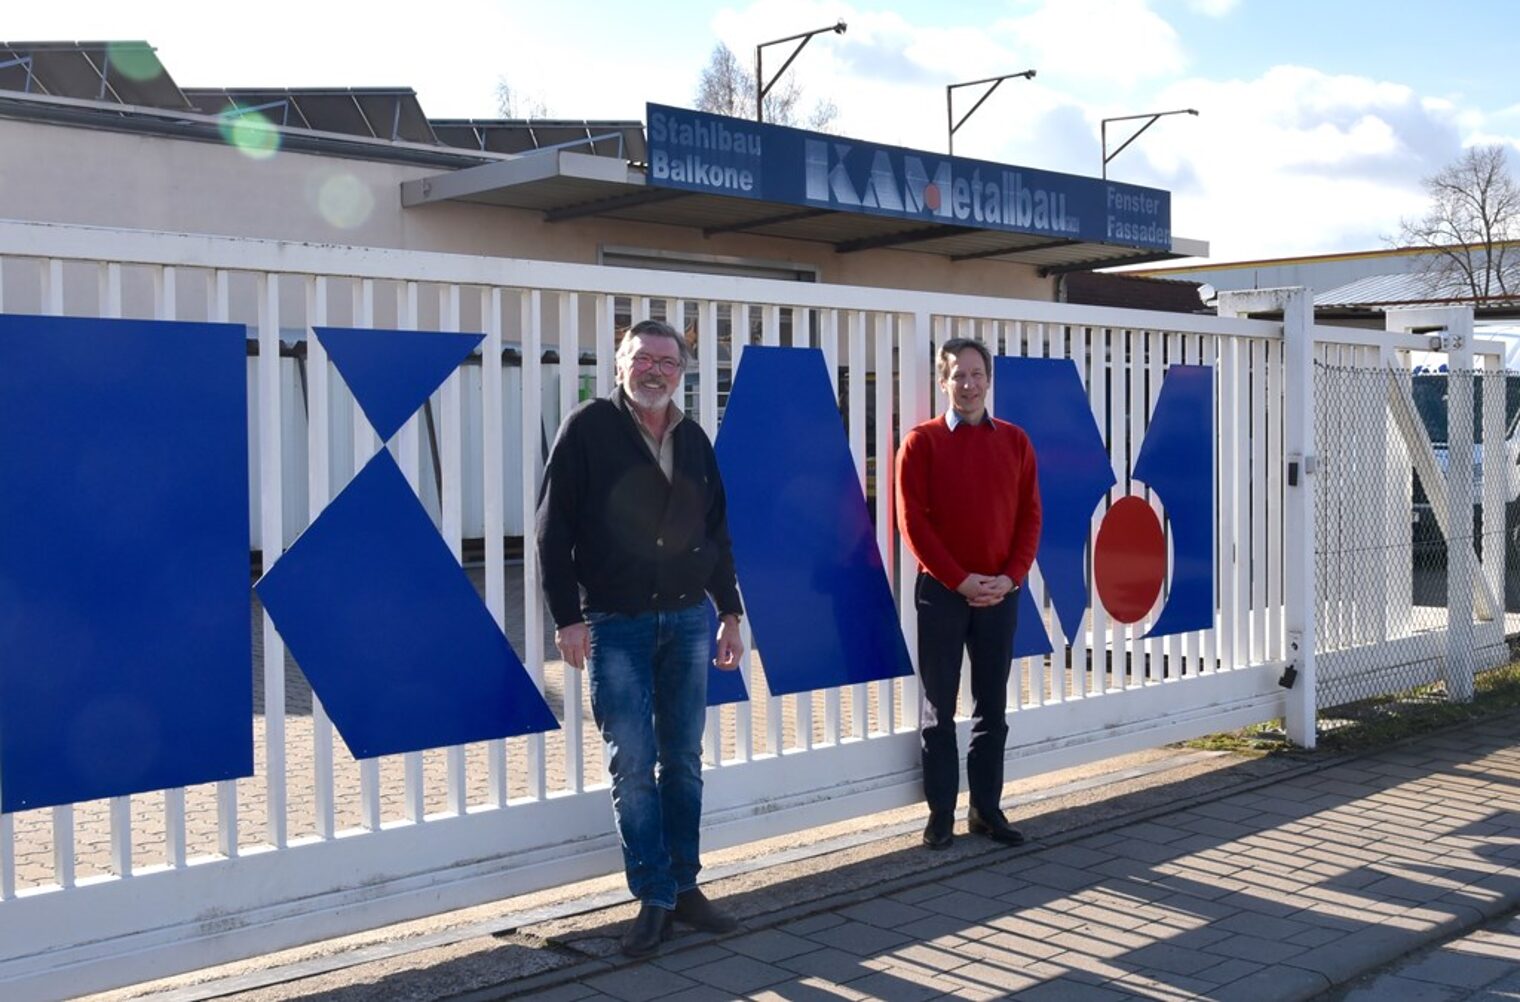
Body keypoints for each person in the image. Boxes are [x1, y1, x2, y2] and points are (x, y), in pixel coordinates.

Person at [536, 318, 745, 956]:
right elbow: (552, 528)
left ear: (683, 372)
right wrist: (566, 617)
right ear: (620, 364)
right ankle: (652, 895)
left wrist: (729, 612)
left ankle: (686, 887)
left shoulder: (696, 440)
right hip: (615, 623)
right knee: (631, 764)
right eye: (644, 359)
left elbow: (715, 532)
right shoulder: (588, 428)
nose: (656, 371)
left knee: (682, 759)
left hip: (687, 620)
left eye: (669, 362)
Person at [896, 337, 1041, 850]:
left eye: (977, 374)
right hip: (942, 592)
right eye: (959, 375)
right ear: (943, 382)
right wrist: (959, 580)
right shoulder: (921, 442)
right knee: (939, 708)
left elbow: (1030, 516)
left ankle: (987, 810)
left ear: (989, 379)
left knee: (992, 706)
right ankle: (940, 816)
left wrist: (1011, 577)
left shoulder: (1016, 442)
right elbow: (913, 524)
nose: (969, 383)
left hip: (1002, 592)